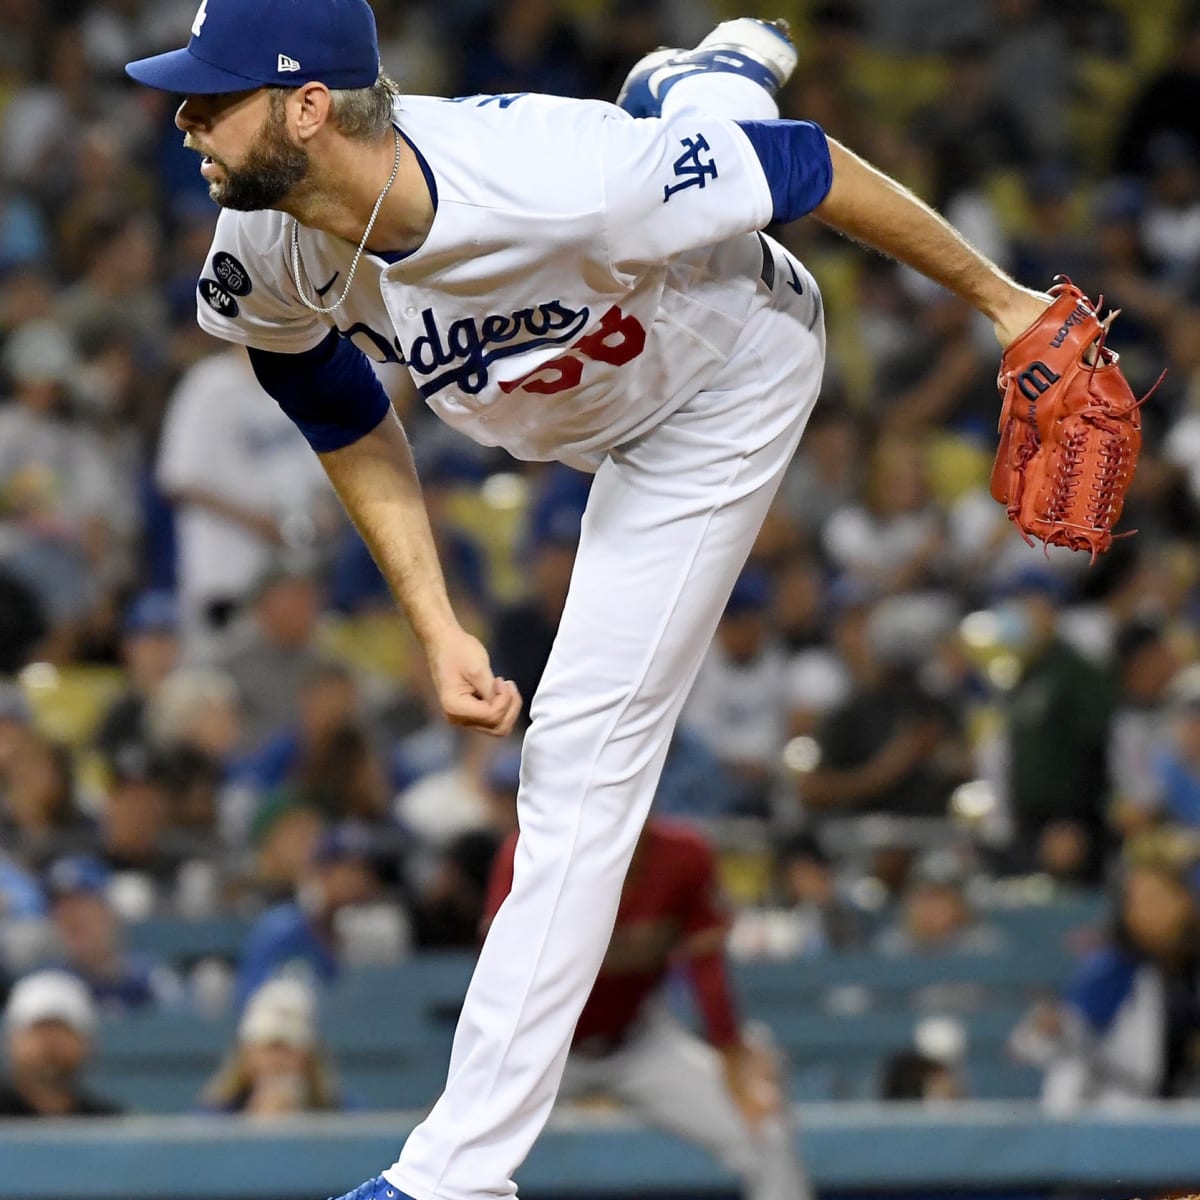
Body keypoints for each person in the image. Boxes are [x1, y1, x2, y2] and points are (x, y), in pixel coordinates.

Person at [125, 4, 1052, 1197]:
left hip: (725, 375)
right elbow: (340, 412)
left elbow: (807, 167)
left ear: (311, 107)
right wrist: (437, 622)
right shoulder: (264, 243)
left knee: (576, 763)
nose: (186, 119)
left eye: (215, 96)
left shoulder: (558, 177)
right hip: (584, 397)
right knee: (685, 143)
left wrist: (1003, 302)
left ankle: (453, 1177)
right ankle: (708, 77)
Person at [486, 817, 810, 1200]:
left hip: (639, 1041)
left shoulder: (682, 854)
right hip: (542, 1049)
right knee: (450, 1150)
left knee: (766, 1129)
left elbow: (707, 966)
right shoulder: (534, 849)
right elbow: (498, 972)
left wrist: (732, 1056)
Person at [200, 977, 355, 1115]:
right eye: (268, 1048)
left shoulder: (343, 1112)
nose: (277, 1062)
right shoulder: (214, 1115)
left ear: (309, 1056)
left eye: (288, 1049)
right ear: (247, 1053)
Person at [0, 969, 122, 1117]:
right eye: (39, 1030)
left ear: (87, 1044)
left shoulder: (113, 1124)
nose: (51, 1044)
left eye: (62, 1031)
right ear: (12, 1041)